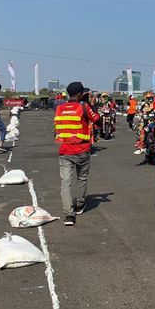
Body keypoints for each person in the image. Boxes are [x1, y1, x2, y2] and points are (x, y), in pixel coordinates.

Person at [53, 81, 100, 226]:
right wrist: (91, 103)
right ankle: (80, 204)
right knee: (82, 178)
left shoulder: (60, 108)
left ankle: (69, 214)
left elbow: (56, 128)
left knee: (65, 183)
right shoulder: (83, 107)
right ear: (80, 94)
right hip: (82, 150)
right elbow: (96, 119)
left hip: (65, 150)